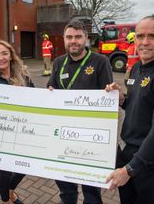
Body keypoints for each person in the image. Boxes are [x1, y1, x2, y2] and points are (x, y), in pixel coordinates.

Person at [105, 15, 154, 204]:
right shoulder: (137, 68)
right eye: (140, 36)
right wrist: (122, 99)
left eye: (152, 36)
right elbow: (138, 104)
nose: (144, 42)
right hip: (128, 154)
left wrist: (130, 170)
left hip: (148, 162)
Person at [47, 19, 113, 204]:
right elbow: (52, 86)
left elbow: (107, 96)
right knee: (65, 186)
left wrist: (111, 92)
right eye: (69, 37)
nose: (73, 41)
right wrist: (50, 91)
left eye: (78, 37)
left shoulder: (100, 61)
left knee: (91, 190)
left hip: (90, 136)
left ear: (86, 38)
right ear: (64, 39)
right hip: (64, 134)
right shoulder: (59, 62)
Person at [0, 39, 34, 204]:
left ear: (11, 55)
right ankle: (6, 199)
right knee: (5, 171)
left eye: (4, 53)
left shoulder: (24, 76)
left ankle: (10, 190)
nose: (1, 58)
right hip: (2, 135)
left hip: (24, 132)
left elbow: (37, 100)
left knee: (25, 166)